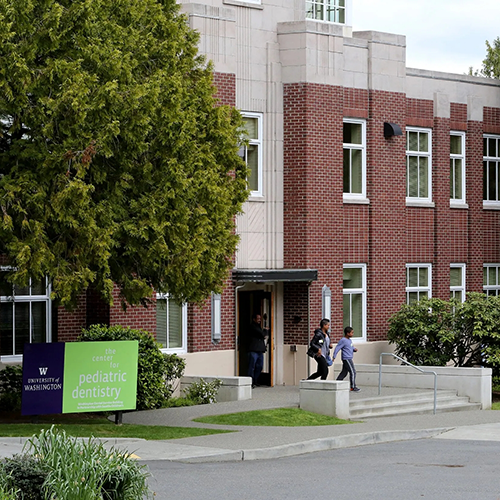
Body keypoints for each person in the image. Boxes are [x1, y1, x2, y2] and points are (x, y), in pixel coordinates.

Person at [333, 326, 360, 391]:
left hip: (349, 357)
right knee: (353, 372)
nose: (352, 334)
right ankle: (353, 386)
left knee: (344, 372)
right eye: (351, 333)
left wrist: (354, 349)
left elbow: (350, 347)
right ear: (347, 333)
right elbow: (337, 348)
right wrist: (334, 356)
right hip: (346, 358)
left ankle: (336, 383)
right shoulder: (343, 340)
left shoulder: (349, 340)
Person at [247, 313, 269, 388]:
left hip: (259, 350)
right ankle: (250, 382)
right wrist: (265, 330)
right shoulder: (252, 326)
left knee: (259, 366)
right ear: (254, 319)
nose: (259, 320)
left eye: (260, 319)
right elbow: (262, 335)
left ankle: (255, 380)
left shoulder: (259, 327)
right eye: (258, 318)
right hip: (253, 349)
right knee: (251, 366)